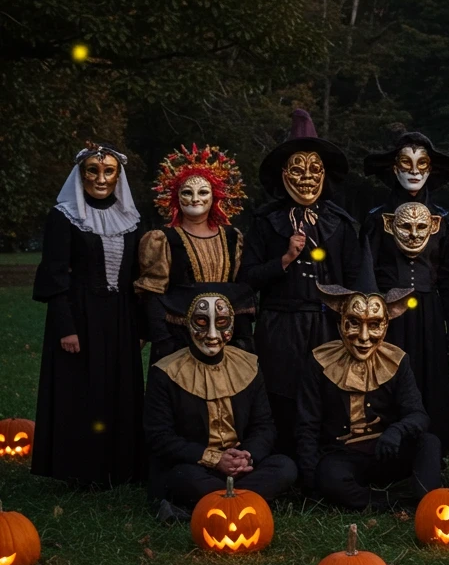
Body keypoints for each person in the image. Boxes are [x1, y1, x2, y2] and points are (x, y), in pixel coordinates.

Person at [239, 108, 362, 453]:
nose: (307, 177)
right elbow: (247, 278)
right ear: (283, 174)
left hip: (328, 324)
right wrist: (284, 260)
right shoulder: (266, 222)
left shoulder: (340, 223)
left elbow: (355, 282)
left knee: (327, 392)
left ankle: (324, 461)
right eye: (297, 169)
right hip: (280, 324)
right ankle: (284, 461)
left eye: (315, 169)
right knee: (282, 393)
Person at [32, 143, 146, 487]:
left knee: (120, 388)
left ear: (118, 175)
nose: (100, 178)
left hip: (121, 316)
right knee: (83, 389)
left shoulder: (132, 219)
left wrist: (140, 326)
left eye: (108, 171)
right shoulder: (64, 216)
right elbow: (55, 274)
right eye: (92, 171)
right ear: (80, 175)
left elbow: (138, 276)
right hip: (80, 316)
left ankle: (122, 467)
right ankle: (83, 470)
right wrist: (66, 328)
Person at [143, 285, 296, 514]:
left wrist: (247, 457)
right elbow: (160, 437)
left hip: (241, 467)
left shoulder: (249, 365)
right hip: (196, 466)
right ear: (188, 323)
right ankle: (247, 500)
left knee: (285, 467)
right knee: (183, 478)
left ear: (232, 324)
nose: (212, 335)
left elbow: (264, 425)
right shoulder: (164, 372)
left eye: (221, 323)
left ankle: (219, 502)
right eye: (202, 323)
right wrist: (214, 459)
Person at [294, 277, 441, 510]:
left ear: (386, 323)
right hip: (343, 456)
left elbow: (418, 415)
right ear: (340, 321)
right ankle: (391, 502)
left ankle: (426, 500)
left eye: (374, 325)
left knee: (429, 443)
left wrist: (396, 430)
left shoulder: (397, 360)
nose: (364, 337)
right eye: (354, 323)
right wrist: (313, 481)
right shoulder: (319, 362)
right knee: (329, 475)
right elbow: (307, 425)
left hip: (387, 451)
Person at [361, 128, 449, 452]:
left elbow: (446, 277)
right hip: (391, 314)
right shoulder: (376, 219)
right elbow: (367, 272)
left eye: (422, 164)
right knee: (392, 375)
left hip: (429, 312)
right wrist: (375, 316)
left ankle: (433, 446)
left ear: (430, 169)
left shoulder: (441, 220)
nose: (414, 171)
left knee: (430, 378)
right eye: (407, 163)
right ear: (395, 168)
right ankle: (390, 443)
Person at [135, 143, 249, 361]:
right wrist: (162, 339)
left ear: (215, 196)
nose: (195, 198)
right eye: (188, 192)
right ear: (176, 197)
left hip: (223, 336)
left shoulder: (232, 237)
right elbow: (152, 294)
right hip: (177, 335)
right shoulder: (161, 239)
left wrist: (243, 337)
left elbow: (239, 289)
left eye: (203, 192)